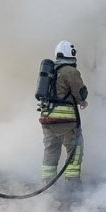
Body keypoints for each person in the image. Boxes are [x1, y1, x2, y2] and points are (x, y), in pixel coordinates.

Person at [39, 40, 88, 203]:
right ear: (71, 53)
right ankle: (72, 191)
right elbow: (81, 93)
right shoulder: (70, 71)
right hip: (66, 122)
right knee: (75, 151)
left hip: (47, 120)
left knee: (50, 153)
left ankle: (49, 190)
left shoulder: (50, 71)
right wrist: (82, 99)